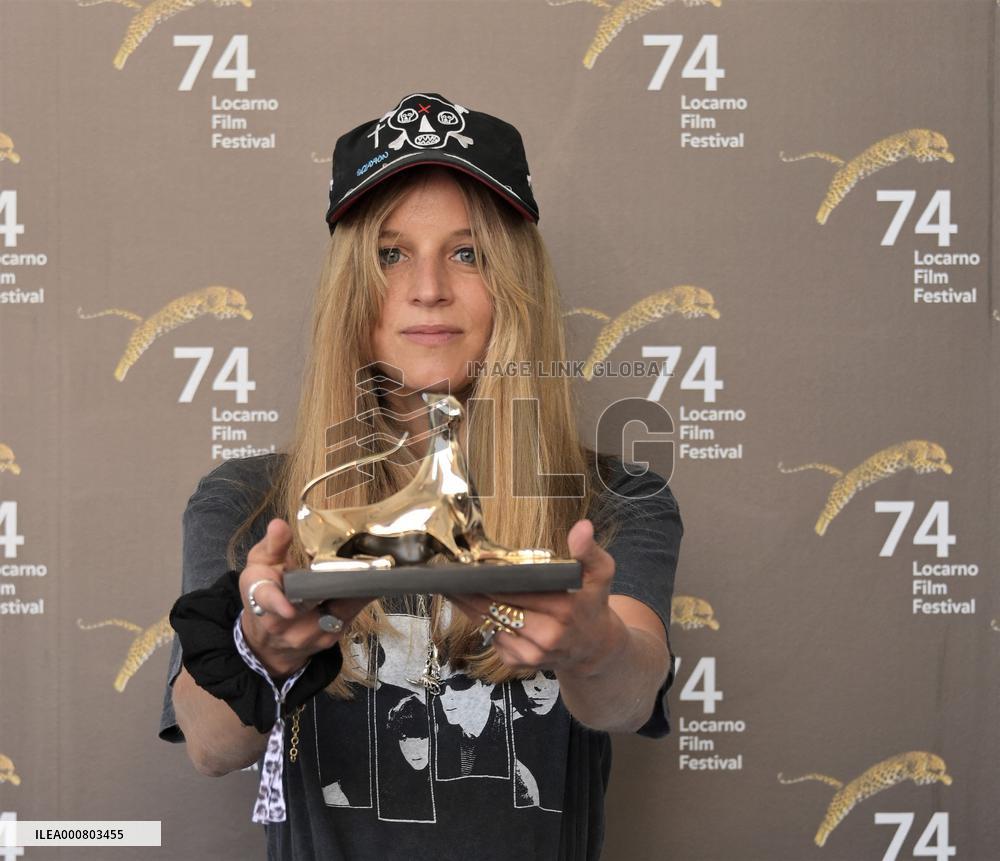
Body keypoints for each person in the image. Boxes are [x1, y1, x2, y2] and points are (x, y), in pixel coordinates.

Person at [159, 91, 683, 861]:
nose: (428, 286)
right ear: (350, 290)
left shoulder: (616, 498)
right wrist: (260, 651)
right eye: (391, 253)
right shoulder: (248, 504)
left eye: (468, 253)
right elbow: (209, 745)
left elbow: (630, 692)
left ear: (514, 284)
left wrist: (593, 647)